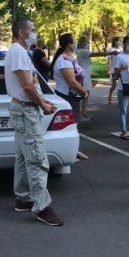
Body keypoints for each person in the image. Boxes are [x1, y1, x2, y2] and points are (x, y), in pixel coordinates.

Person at [5, 17, 63, 226]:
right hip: (26, 111)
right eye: (33, 30)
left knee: (23, 156)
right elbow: (27, 86)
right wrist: (42, 105)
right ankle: (42, 207)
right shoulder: (19, 52)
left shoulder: (19, 52)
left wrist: (42, 100)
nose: (35, 33)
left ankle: (23, 198)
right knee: (37, 159)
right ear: (22, 33)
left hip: (23, 109)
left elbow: (30, 87)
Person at [51, 33, 90, 161]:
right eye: (74, 41)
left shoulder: (70, 58)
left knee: (74, 125)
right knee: (68, 126)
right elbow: (71, 82)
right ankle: (70, 152)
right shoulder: (63, 61)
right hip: (66, 96)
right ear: (69, 44)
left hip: (73, 96)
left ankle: (74, 150)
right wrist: (83, 92)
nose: (76, 44)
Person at [74, 35, 107, 119]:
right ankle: (80, 113)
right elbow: (96, 54)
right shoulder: (83, 51)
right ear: (82, 43)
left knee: (86, 95)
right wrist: (109, 53)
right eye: (87, 42)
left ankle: (83, 112)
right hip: (83, 77)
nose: (88, 43)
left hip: (86, 76)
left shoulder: (83, 51)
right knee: (84, 94)